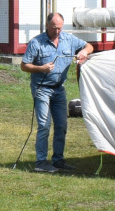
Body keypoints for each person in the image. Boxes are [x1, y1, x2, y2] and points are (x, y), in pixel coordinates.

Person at [20, 11, 93, 174]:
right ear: (47, 25)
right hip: (42, 89)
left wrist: (84, 52)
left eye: (60, 28)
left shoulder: (69, 39)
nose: (57, 31)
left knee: (61, 126)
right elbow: (24, 65)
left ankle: (58, 160)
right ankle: (41, 163)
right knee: (44, 126)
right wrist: (41, 68)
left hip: (59, 89)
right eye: (54, 28)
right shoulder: (36, 42)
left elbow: (89, 46)